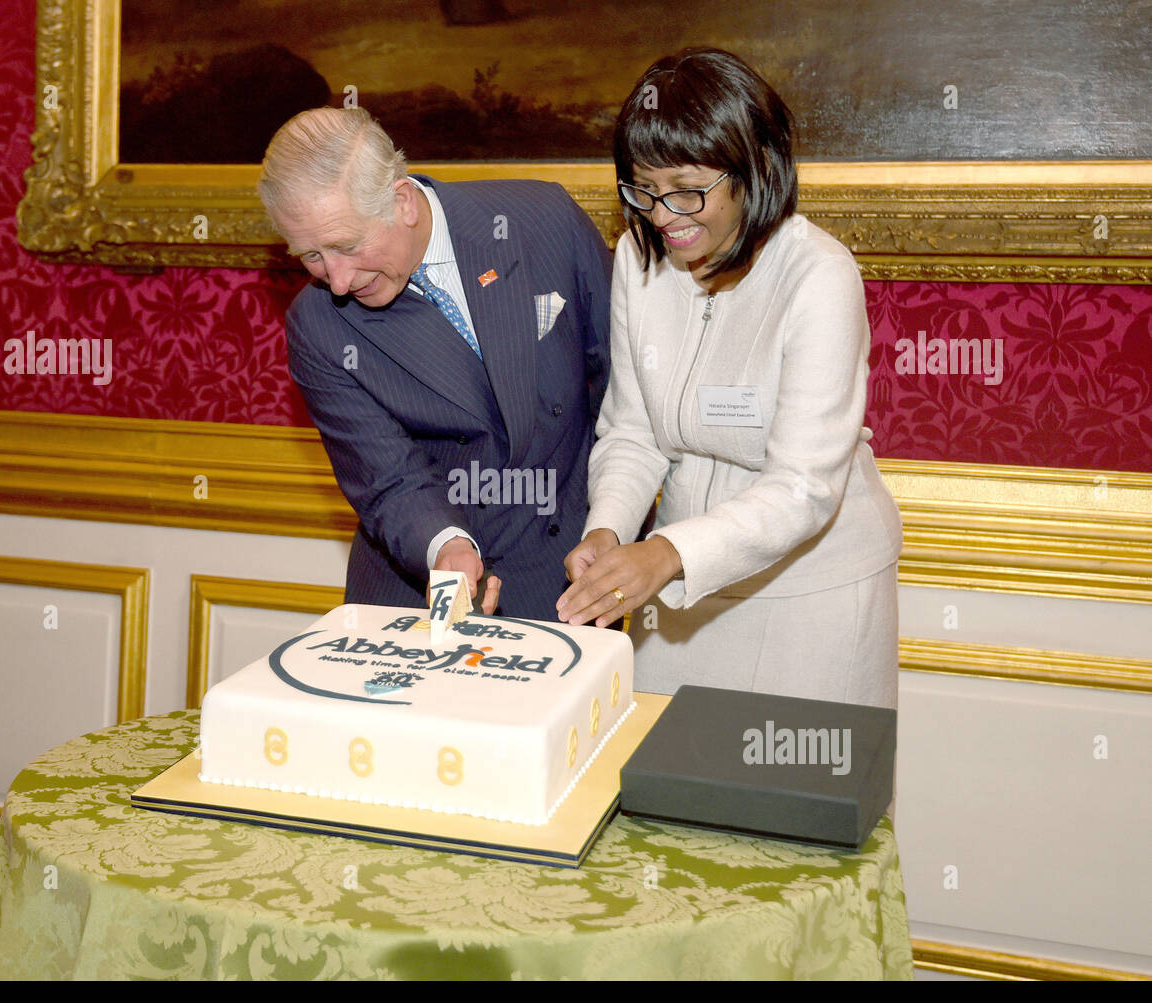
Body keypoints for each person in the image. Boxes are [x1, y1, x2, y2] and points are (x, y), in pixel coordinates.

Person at [557, 48, 904, 708]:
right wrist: (609, 530)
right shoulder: (638, 258)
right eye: (643, 188)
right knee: (661, 796)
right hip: (679, 593)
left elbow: (803, 486)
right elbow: (633, 430)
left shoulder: (818, 276)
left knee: (792, 798)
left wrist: (665, 553)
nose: (664, 215)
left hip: (813, 596)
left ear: (752, 166)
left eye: (688, 188)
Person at [260, 107, 612, 621]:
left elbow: (621, 394)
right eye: (311, 256)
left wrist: (615, 523)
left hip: (566, 577)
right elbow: (388, 476)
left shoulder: (544, 222)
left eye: (346, 246)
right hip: (415, 593)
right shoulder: (317, 324)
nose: (335, 280)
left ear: (402, 201)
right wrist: (445, 547)